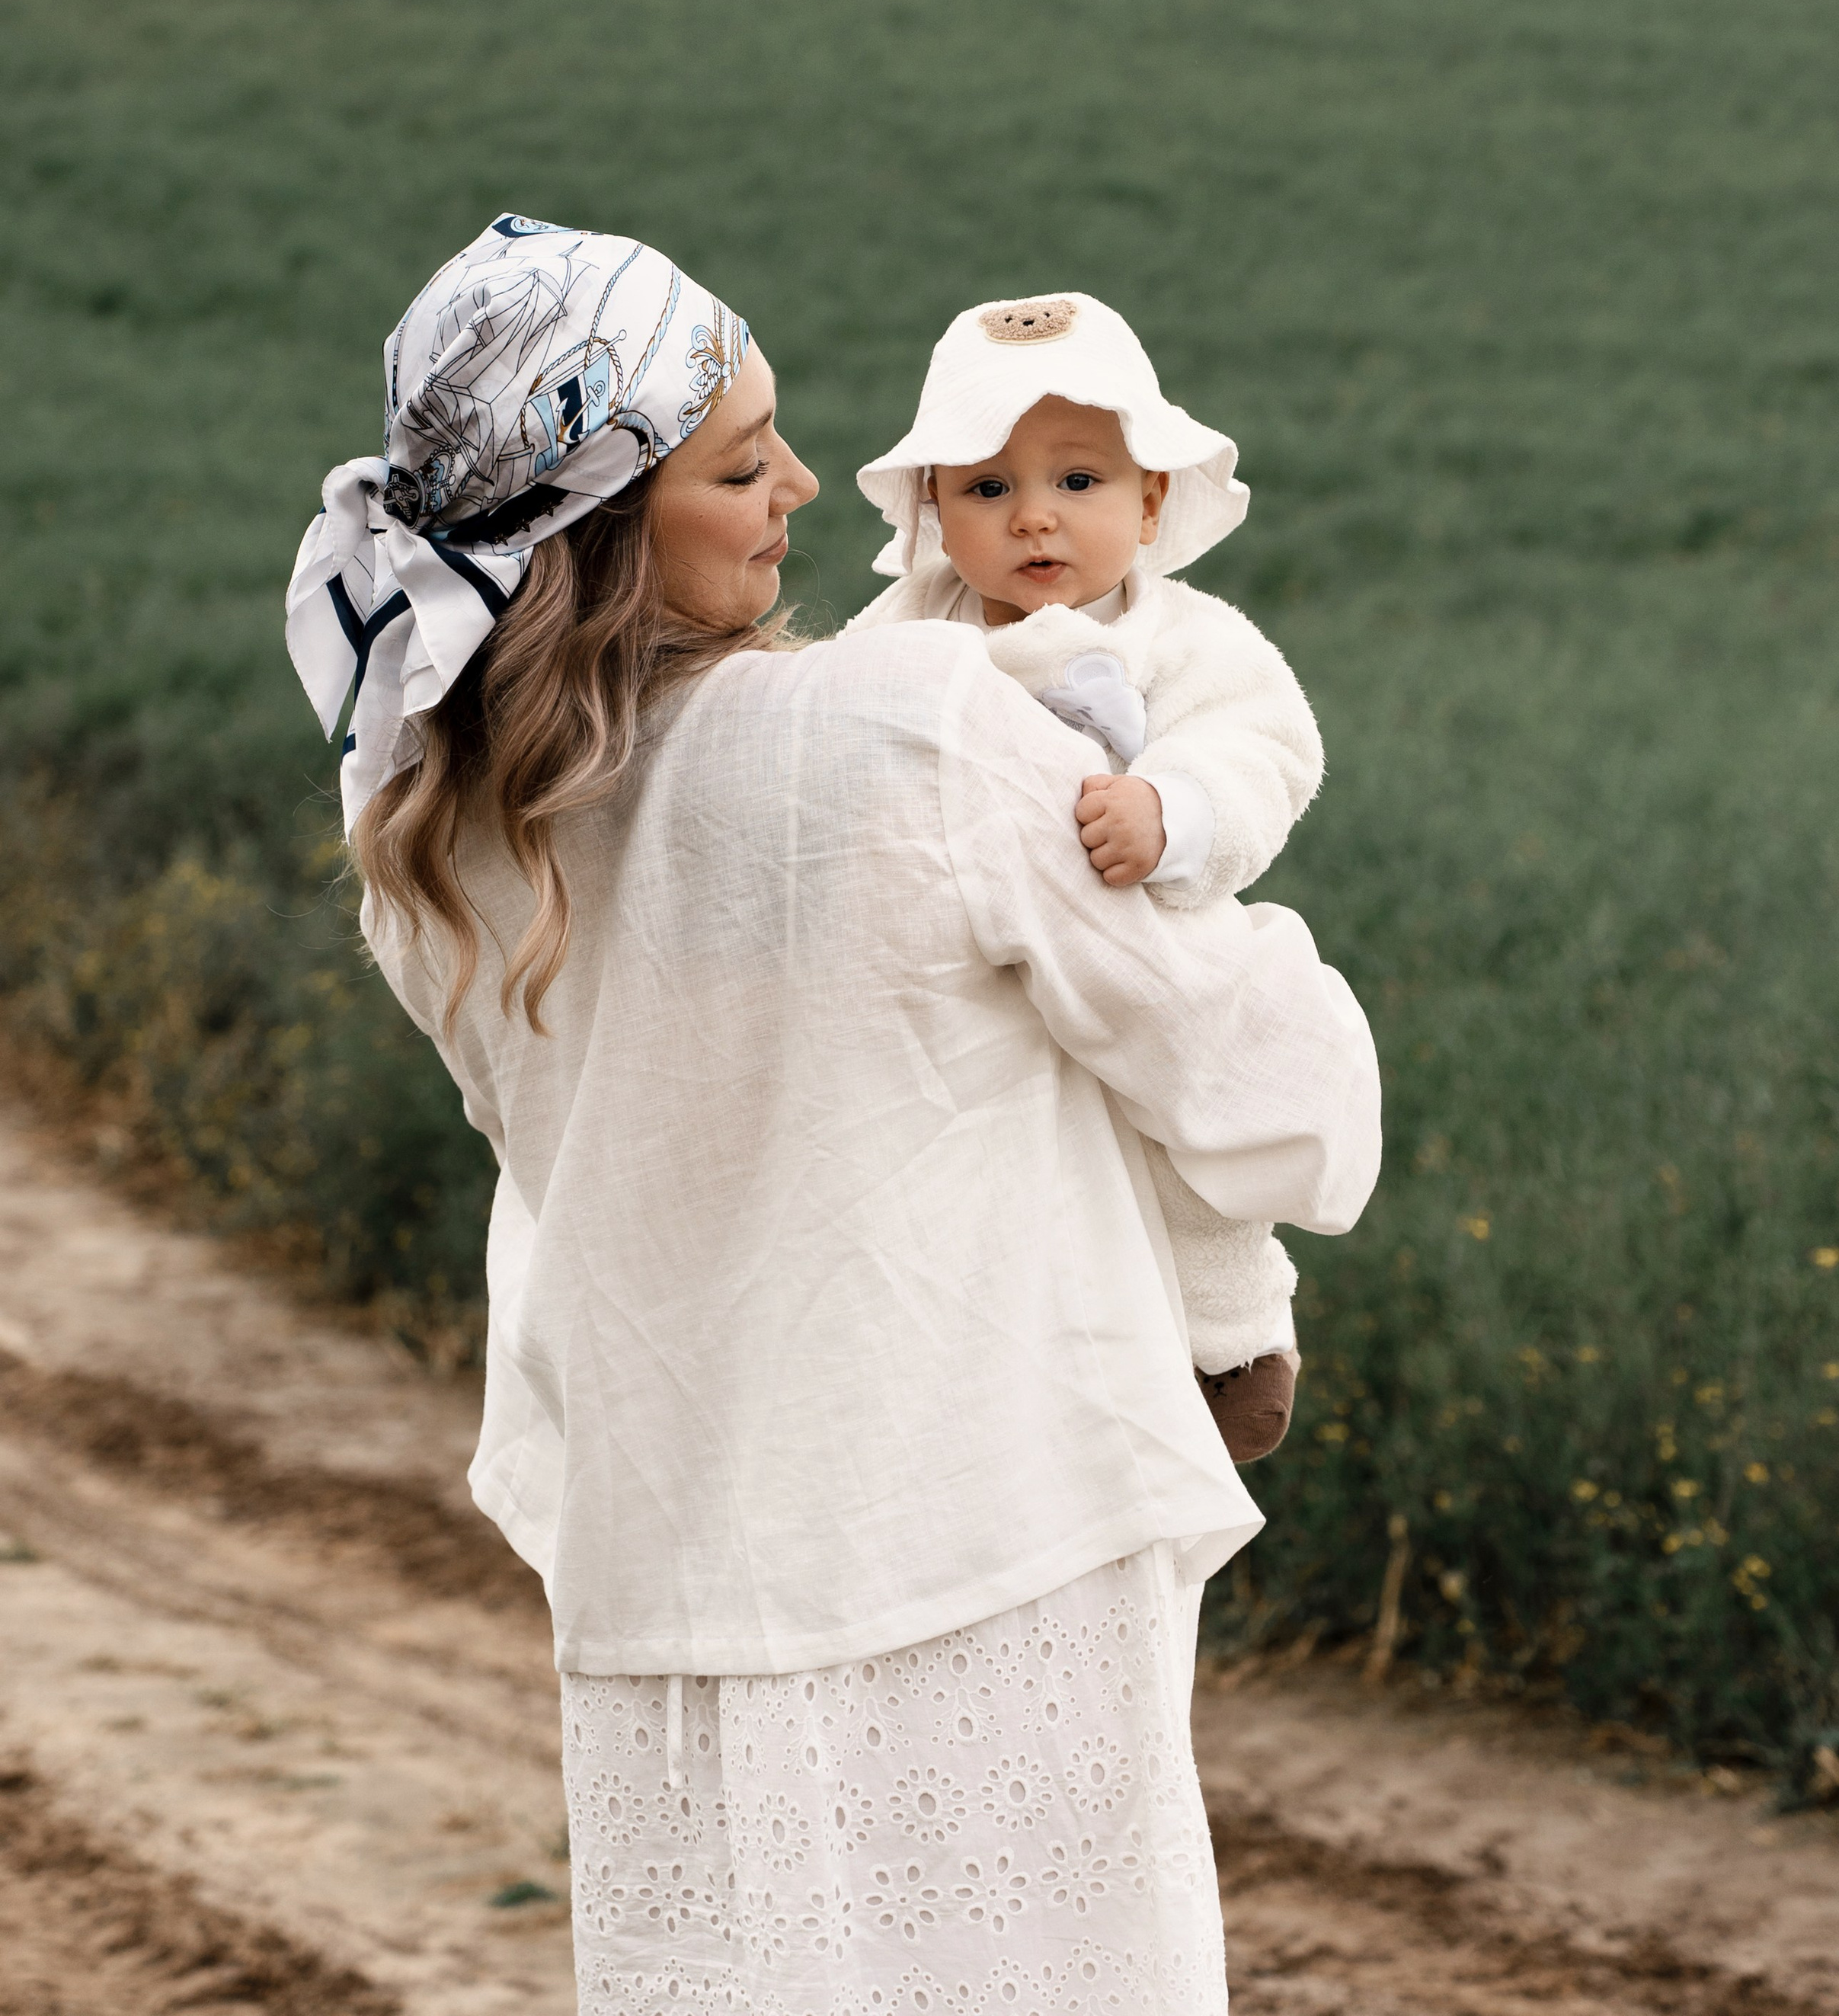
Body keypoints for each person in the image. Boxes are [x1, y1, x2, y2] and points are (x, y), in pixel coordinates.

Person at [286, 216, 1382, 2016]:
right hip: (980, 1531)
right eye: (740, 460)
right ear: (610, 521)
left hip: (670, 1568)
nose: (802, 483)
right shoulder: (921, 724)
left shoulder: (431, 838)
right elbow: (1274, 1094)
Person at [847, 290, 1326, 1461]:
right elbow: (838, 746)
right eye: (988, 488)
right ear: (932, 508)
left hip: (1144, 939)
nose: (1034, 522)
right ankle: (944, 1351)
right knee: (938, 1154)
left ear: (1152, 496)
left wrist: (1177, 810)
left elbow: (1264, 747)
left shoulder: (1191, 639)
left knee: (1191, 1133)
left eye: (1077, 482)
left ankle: (1232, 1334)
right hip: (970, 965)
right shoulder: (905, 634)